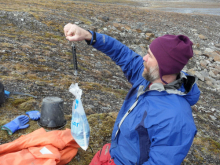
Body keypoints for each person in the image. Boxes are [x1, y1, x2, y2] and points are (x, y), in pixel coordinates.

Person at [64, 23, 200, 165]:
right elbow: (122, 54)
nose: (144, 58)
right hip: (111, 154)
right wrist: (88, 35)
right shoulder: (149, 77)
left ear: (165, 67)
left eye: (150, 56)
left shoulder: (175, 119)